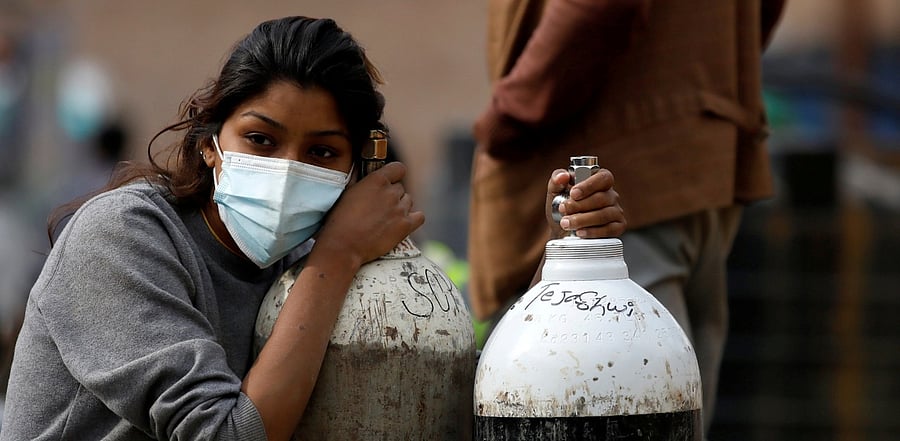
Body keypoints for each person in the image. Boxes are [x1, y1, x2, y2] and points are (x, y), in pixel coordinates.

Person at [1, 15, 624, 441]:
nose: (286, 170)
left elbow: (441, 385)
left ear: (356, 167)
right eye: (261, 140)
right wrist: (336, 257)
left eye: (322, 153)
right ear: (212, 143)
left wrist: (564, 258)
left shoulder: (310, 256)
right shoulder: (126, 237)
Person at [467, 0, 787, 437]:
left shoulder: (597, 198)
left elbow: (598, 9)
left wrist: (511, 111)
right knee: (669, 406)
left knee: (621, 401)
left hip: (620, 149)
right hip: (707, 154)